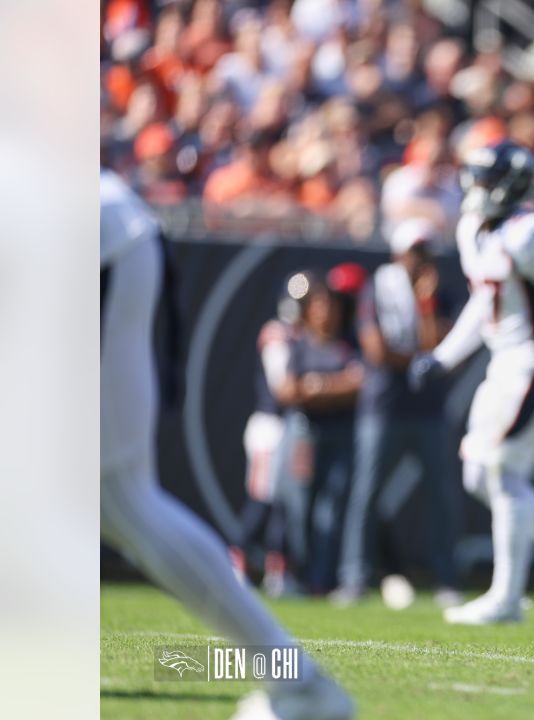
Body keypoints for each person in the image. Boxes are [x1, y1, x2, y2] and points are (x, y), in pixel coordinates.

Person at [99, 168, 353, 719]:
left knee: (118, 496)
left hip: (89, 242)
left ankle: (299, 681)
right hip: (275, 428)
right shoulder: (282, 337)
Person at [413, 140, 534, 625]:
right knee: (479, 473)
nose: (475, 190)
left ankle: (506, 598)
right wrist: (444, 357)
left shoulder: (530, 232)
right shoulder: (473, 231)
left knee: (501, 472)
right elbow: (483, 303)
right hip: (505, 363)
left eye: (484, 180)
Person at [331, 220, 462, 609]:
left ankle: (446, 580)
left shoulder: (441, 294)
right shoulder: (377, 288)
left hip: (429, 408)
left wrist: (425, 310)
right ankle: (353, 577)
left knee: (440, 495)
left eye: (425, 252)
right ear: (398, 254)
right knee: (366, 493)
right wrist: (422, 360)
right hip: (384, 405)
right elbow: (377, 351)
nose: (420, 261)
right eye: (413, 252)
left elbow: (440, 348)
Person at [276, 269, 363, 594]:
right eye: (320, 304)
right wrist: (333, 387)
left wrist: (316, 387)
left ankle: (321, 579)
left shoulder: (347, 345)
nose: (327, 311)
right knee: (299, 504)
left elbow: (358, 384)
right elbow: (287, 390)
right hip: (305, 435)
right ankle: (297, 573)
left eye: (332, 305)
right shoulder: (299, 345)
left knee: (332, 508)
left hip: (340, 432)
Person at [229, 288, 299, 597]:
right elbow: (281, 386)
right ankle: (235, 565)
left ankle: (277, 573)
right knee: (262, 500)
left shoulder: (300, 336)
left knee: (282, 504)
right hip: (270, 427)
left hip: (289, 427)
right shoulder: (277, 335)